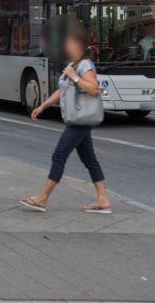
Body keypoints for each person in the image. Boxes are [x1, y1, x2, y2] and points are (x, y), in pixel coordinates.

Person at [19, 22, 111, 214]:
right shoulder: (73, 64)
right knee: (89, 159)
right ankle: (102, 199)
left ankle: (42, 198)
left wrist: (75, 77)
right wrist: (42, 106)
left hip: (80, 117)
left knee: (59, 155)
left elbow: (94, 89)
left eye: (68, 42)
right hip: (78, 118)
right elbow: (62, 90)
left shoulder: (84, 64)